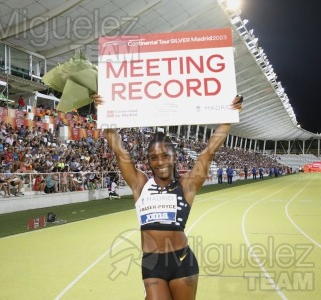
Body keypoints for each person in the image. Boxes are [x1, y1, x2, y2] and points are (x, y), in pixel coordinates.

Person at [93, 94, 243, 300]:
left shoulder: (186, 185)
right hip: (152, 263)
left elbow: (208, 152)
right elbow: (120, 152)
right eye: (154, 157)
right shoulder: (140, 184)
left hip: (182, 261)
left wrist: (229, 116)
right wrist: (105, 113)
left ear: (174, 157)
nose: (160, 161)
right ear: (149, 161)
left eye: (165, 155)